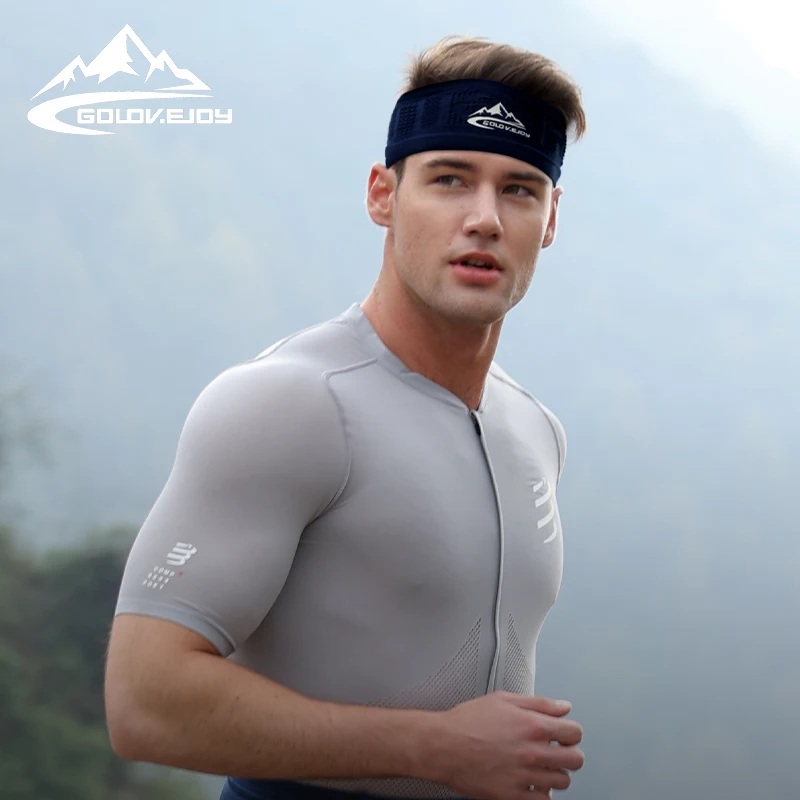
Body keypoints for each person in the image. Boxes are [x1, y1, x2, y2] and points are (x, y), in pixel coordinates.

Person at [104, 34, 587, 800]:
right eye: (450, 180)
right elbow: (145, 703)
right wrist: (434, 748)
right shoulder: (288, 404)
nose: (485, 219)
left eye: (519, 189)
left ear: (551, 218)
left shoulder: (535, 431)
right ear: (382, 195)